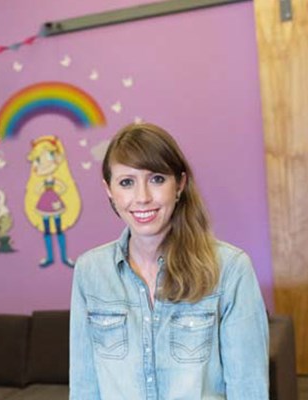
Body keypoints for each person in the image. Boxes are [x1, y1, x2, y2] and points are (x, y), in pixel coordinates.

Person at [70, 122, 269, 399]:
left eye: (157, 179)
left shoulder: (231, 269)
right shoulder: (90, 271)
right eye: (126, 182)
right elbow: (84, 388)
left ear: (180, 184)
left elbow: (248, 389)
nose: (142, 198)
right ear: (109, 191)